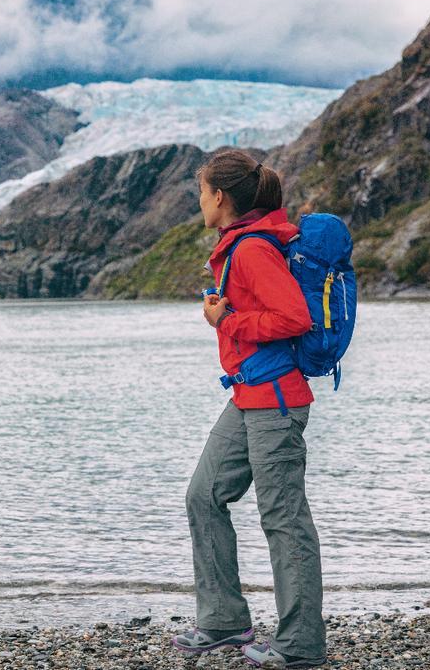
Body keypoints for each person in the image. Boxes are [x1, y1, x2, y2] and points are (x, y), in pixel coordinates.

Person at [169, 148, 327, 668]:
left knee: (284, 520)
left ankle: (300, 645)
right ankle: (222, 621)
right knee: (203, 495)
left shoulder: (254, 249)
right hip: (248, 397)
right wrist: (230, 315)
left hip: (276, 403)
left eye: (200, 193)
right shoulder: (239, 246)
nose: (199, 201)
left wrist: (226, 322)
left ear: (219, 197)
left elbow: (294, 318)